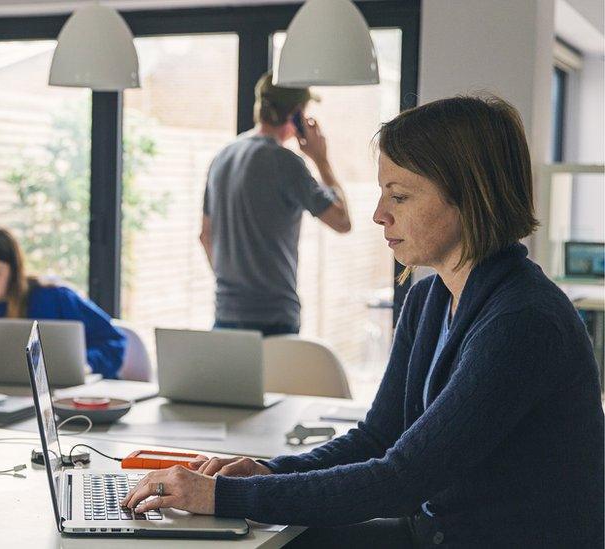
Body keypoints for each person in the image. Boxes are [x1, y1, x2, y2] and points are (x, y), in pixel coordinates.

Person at [124, 95, 604, 547]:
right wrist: (270, 473)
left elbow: (401, 478)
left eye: (399, 197)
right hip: (440, 533)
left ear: (469, 196)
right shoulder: (429, 300)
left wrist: (222, 497)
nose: (378, 215)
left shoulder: (523, 322)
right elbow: (378, 437)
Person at [200, 72, 352, 337]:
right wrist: (321, 160)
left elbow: (205, 236)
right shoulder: (286, 162)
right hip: (274, 320)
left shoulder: (222, 158)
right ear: (296, 115)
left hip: (225, 315)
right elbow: (341, 221)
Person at [0, 226, 126, 379]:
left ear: (13, 273)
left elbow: (115, 342)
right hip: (8, 396)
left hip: (74, 396)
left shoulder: (55, 297)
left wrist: (85, 365)